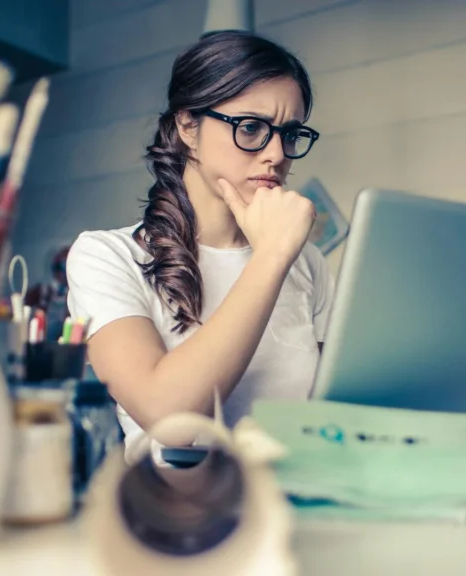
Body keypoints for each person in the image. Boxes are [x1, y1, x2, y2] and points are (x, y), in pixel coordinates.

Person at [65, 31, 333, 454]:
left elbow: (331, 419)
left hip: (297, 509)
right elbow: (171, 422)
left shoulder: (308, 264)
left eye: (290, 133)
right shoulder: (106, 257)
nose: (277, 154)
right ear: (188, 126)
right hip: (174, 511)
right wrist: (272, 256)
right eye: (250, 128)